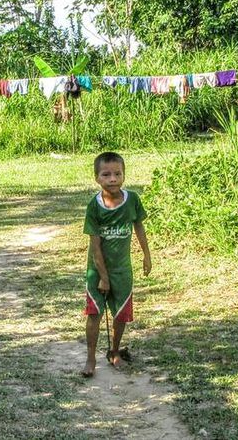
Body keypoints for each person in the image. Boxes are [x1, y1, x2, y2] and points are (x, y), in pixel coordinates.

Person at [82, 151, 151, 377]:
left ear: (124, 175)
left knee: (120, 314)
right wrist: (103, 276)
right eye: (106, 174)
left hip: (123, 270)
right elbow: (95, 245)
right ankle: (91, 358)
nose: (112, 179)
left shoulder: (132, 200)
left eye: (117, 174)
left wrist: (146, 254)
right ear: (97, 178)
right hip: (97, 271)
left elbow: (138, 226)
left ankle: (114, 351)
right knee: (95, 314)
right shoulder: (94, 206)